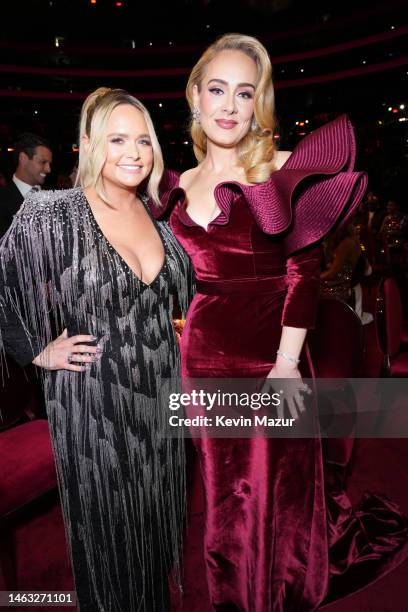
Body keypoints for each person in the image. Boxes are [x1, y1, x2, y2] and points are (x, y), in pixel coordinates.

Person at [151, 34, 408, 611]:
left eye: (245, 93)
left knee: (279, 483)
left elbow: (304, 270)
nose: (229, 106)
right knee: (224, 487)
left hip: (276, 353)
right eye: (217, 89)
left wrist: (288, 364)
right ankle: (233, 593)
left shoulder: (280, 168)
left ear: (257, 103)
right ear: (195, 95)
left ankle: (279, 585)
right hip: (204, 355)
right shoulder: (172, 185)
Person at [0, 88, 194, 611]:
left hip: (160, 403)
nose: (133, 152)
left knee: (155, 533)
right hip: (95, 405)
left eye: (143, 140)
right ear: (88, 144)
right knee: (111, 546)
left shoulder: (162, 223)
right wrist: (36, 351)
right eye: (117, 139)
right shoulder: (54, 213)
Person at [0, 132, 52, 238]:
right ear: (23, 158)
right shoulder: (2, 199)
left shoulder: (54, 196)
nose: (48, 169)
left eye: (49, 164)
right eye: (43, 162)